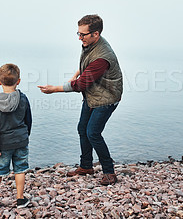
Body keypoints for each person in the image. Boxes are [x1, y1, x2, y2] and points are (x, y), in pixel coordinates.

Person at [38, 14, 123, 186]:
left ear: (96, 34)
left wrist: (55, 89)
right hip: (94, 94)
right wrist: (77, 73)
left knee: (93, 132)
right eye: (78, 33)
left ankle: (109, 172)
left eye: (83, 34)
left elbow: (81, 85)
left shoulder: (102, 57)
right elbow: (86, 65)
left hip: (107, 98)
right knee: (82, 128)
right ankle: (86, 167)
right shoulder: (91, 44)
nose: (79, 38)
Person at [0, 63, 32, 209]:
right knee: (20, 169)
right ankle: (20, 199)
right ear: (18, 81)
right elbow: (28, 120)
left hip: (3, 144)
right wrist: (25, 136)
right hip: (20, 141)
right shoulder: (23, 98)